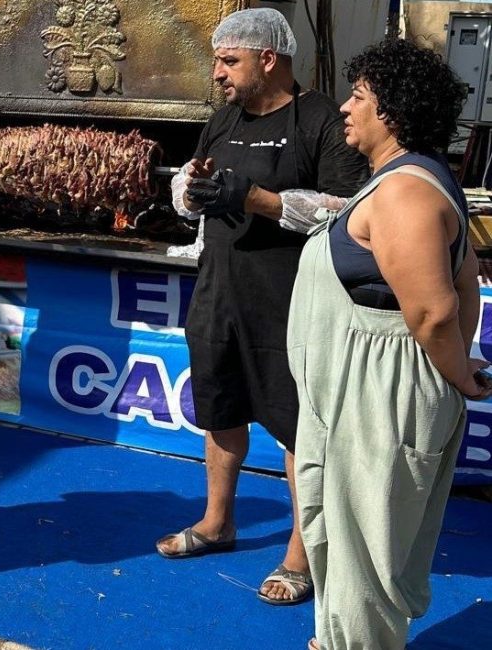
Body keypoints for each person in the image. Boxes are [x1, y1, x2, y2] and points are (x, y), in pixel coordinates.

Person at [157, 7, 367, 607]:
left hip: (290, 303)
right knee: (221, 409)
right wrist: (189, 191)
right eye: (218, 60)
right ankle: (217, 523)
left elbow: (348, 211)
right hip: (219, 292)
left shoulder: (321, 120)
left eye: (229, 61)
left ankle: (301, 555)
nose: (217, 73)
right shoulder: (223, 119)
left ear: (267, 59)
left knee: (296, 425)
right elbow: (187, 185)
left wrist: (258, 199)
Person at [289, 39, 487, 650]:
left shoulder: (405, 192)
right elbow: (469, 281)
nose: (346, 107)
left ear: (392, 112)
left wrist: (456, 375)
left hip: (381, 397)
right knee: (347, 541)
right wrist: (456, 365)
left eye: (359, 96)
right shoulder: (409, 182)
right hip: (360, 392)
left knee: (367, 550)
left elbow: (434, 309)